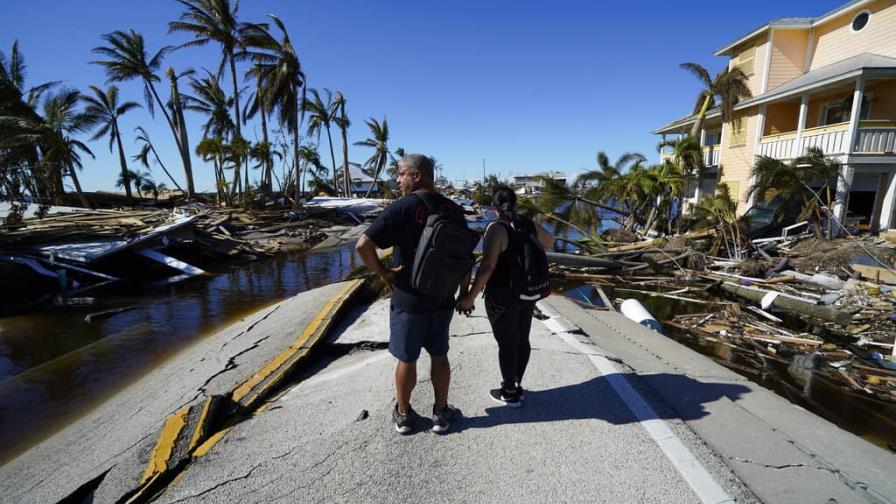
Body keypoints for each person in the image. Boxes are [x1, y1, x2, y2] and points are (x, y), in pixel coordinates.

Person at [356, 153, 470, 434]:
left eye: (400, 173)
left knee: (407, 358)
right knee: (440, 356)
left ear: (416, 175)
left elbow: (363, 245)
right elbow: (465, 258)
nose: (397, 180)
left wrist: (384, 274)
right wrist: (464, 292)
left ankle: (404, 415)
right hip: (442, 298)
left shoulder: (402, 207)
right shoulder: (453, 209)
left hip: (408, 298)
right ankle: (441, 414)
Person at [457, 185, 554, 407]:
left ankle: (509, 392)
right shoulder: (527, 223)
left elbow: (487, 267)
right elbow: (549, 240)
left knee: (507, 343)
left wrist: (470, 297)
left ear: (493, 207)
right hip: (527, 293)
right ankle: (517, 382)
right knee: (522, 340)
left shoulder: (496, 228)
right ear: (515, 204)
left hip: (502, 296)